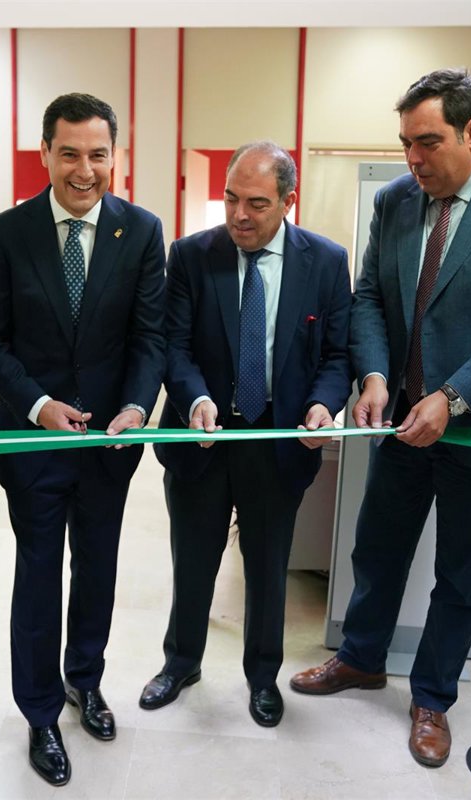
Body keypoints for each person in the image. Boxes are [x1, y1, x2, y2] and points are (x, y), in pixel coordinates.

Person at [289, 68, 471, 768]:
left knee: (461, 575)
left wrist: (451, 397)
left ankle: (432, 699)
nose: (413, 159)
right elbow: (368, 298)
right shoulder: (394, 201)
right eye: (405, 144)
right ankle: (361, 659)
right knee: (377, 550)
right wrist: (375, 376)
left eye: (428, 142)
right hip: (401, 425)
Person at [0, 92, 165, 787]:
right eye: (71, 154)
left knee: (98, 571)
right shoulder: (7, 232)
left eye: (98, 154)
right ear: (46, 153)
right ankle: (41, 712)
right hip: (35, 445)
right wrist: (37, 403)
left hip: (110, 444)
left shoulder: (141, 231)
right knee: (39, 576)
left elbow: (149, 336)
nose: (85, 170)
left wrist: (136, 406)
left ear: (115, 155)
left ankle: (86, 679)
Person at [140, 141, 352, 728]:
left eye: (256, 203)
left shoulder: (325, 262)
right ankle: (181, 663)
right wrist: (196, 398)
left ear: (288, 200)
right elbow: (173, 344)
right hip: (201, 439)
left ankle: (262, 677)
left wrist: (322, 404)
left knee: (266, 567)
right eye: (231, 198)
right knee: (193, 560)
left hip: (278, 441)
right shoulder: (191, 255)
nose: (239, 214)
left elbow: (337, 355)